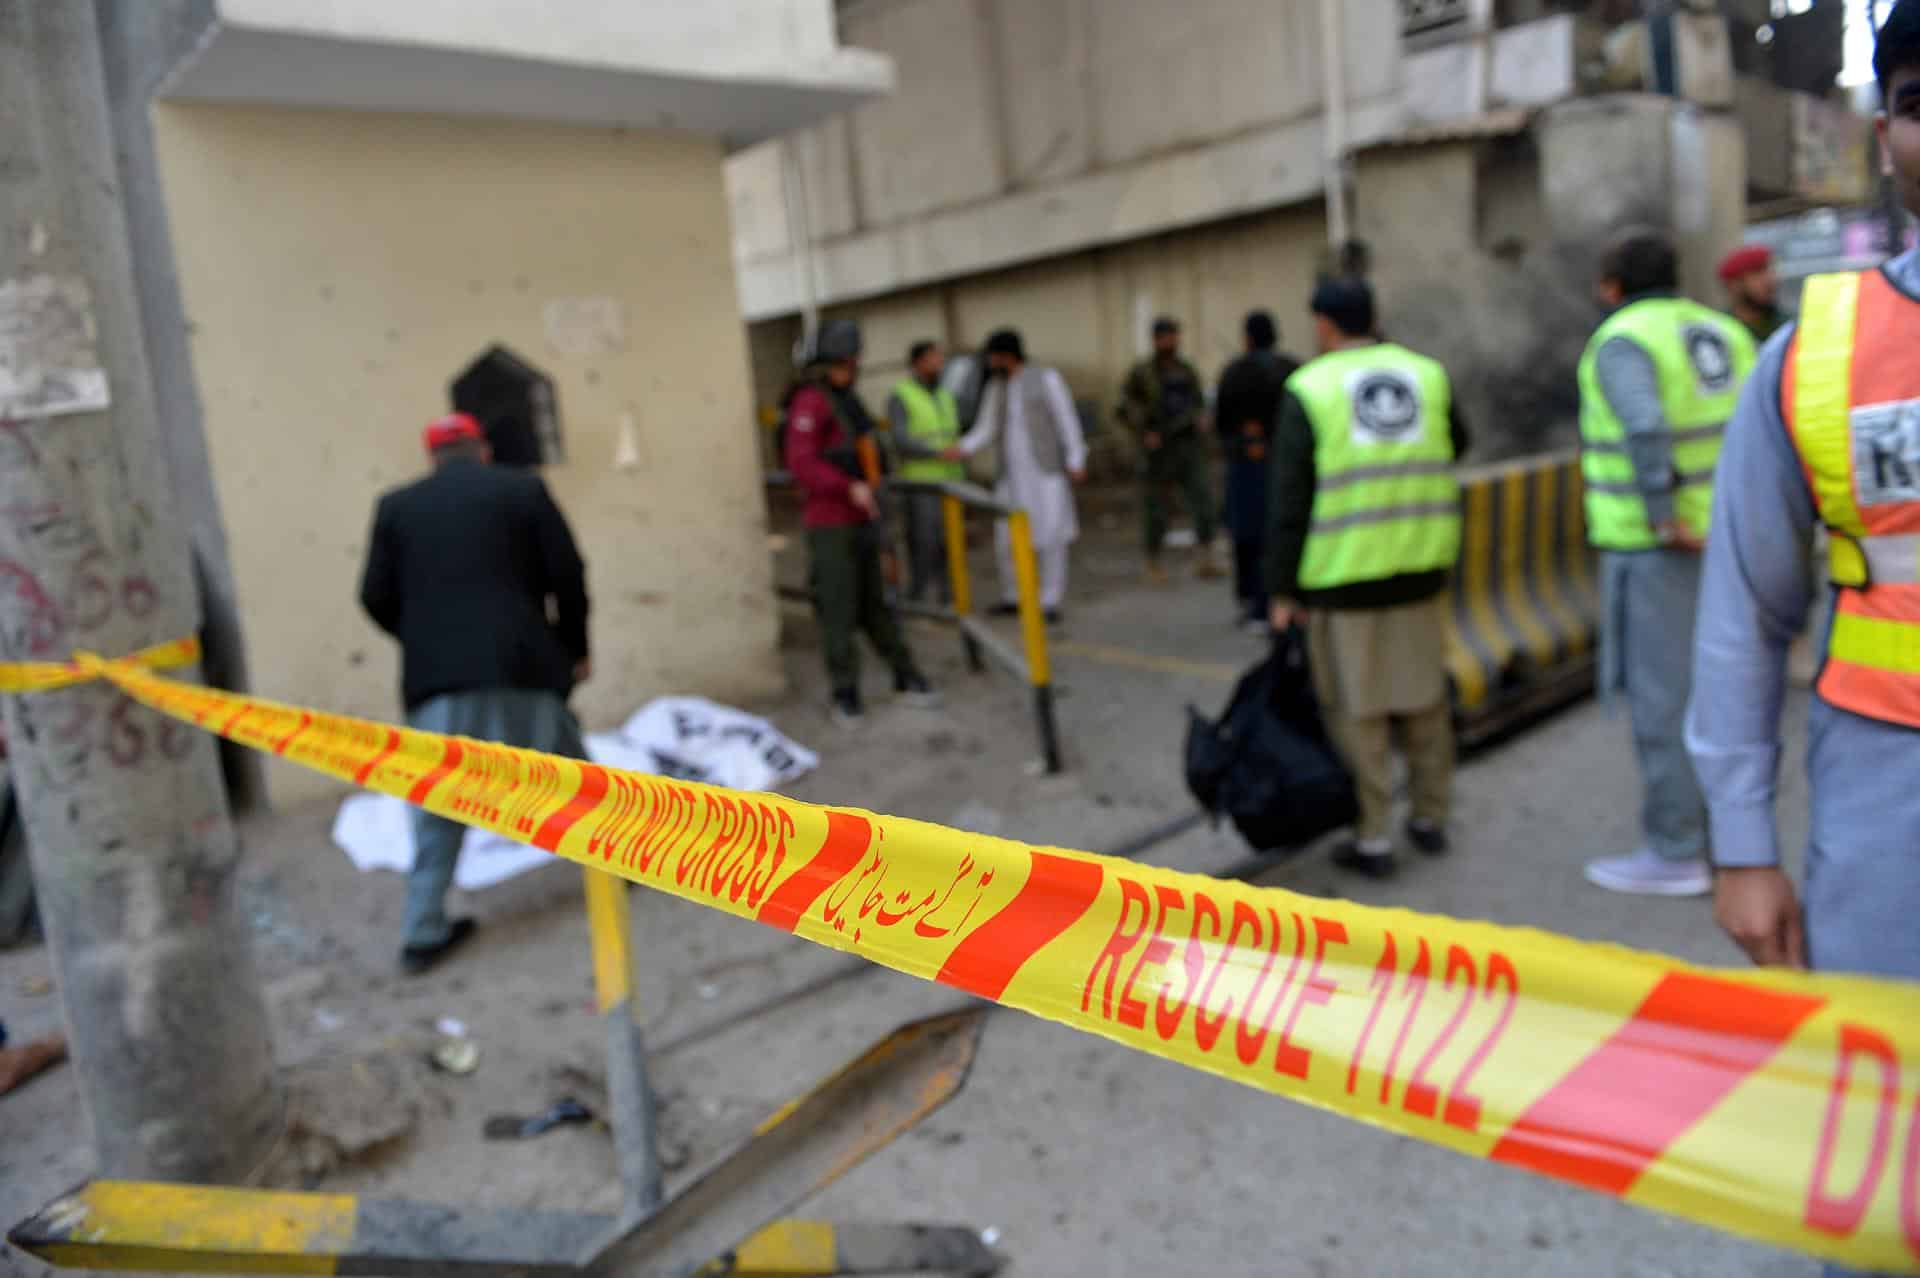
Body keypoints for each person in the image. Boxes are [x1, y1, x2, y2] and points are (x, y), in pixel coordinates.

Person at [1688, 0, 1920, 1107]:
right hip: (1889, 800)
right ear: (1888, 135)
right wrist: (1742, 844)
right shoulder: (1810, 358)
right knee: (1886, 1145)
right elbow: (1744, 611)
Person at [359, 412, 591, 974]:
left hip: (438, 683)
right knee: (579, 785)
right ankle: (629, 863)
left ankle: (422, 935)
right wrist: (572, 647)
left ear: (432, 457)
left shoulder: (396, 507)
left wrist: (424, 640)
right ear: (482, 449)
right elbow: (569, 574)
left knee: (435, 809)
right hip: (524, 669)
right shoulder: (523, 490)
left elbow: (374, 596)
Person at [1266, 279, 1468, 879]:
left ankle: (1374, 836)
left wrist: (1281, 589)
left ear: (1324, 325)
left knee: (1360, 714)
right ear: (1376, 317)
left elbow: (1290, 501)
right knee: (1425, 701)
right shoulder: (1427, 375)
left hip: (1343, 579)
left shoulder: (1310, 388)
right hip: (1420, 568)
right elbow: (1459, 441)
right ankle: (1431, 816)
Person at [1577, 231, 1756, 898]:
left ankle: (1678, 848)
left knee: (1663, 704)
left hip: (1661, 549)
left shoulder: (1625, 339)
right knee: (1725, 696)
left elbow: (1645, 424)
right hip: (1729, 543)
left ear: (1612, 286)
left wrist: (1661, 515)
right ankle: (1730, 837)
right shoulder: (1722, 332)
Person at [784, 319, 937, 723]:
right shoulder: (811, 402)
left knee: (877, 604)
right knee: (838, 609)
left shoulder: (847, 400)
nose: (854, 367)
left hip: (864, 517)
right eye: (849, 360)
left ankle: (905, 676)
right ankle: (845, 693)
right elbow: (801, 461)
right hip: (830, 522)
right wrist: (845, 486)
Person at [946, 328, 1088, 625]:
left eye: (994, 357)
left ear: (1007, 356)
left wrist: (1076, 458)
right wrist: (962, 448)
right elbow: (986, 428)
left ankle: (1049, 600)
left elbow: (1067, 422)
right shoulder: (996, 388)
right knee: (1006, 539)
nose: (990, 363)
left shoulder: (1046, 379)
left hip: (1045, 474)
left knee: (1051, 538)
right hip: (1010, 477)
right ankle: (1015, 597)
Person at [1215, 310, 1301, 630]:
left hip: (1247, 465)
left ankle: (1255, 604)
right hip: (1286, 464)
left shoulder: (1235, 372)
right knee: (1282, 529)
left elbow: (1222, 422)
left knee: (1248, 535)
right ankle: (1287, 599)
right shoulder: (1293, 369)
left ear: (1248, 337)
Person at [1121, 317, 1221, 583]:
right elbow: (1125, 408)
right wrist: (1145, 433)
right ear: (1156, 339)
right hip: (1158, 449)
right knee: (1156, 508)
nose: (1171, 341)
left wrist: (1201, 419)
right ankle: (1153, 562)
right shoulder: (1142, 372)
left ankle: (1206, 558)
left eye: (1174, 336)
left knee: (1202, 501)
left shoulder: (1185, 369)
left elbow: (1198, 401)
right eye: (1166, 337)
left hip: (1187, 445)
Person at [885, 340, 963, 603]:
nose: (939, 362)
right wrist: (936, 453)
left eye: (940, 357)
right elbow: (900, 438)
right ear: (917, 363)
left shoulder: (944, 394)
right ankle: (917, 594)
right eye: (933, 358)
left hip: (952, 480)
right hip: (921, 482)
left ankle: (949, 595)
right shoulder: (902, 394)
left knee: (951, 543)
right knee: (923, 542)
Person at [1717, 243, 1785, 344]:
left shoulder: (1787, 327)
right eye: (1757, 274)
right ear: (1734, 285)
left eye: (1770, 272)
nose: (1769, 280)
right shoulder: (1720, 330)